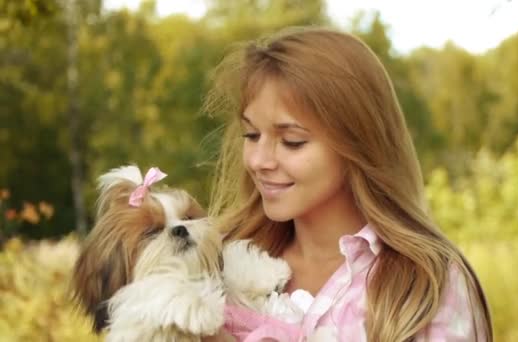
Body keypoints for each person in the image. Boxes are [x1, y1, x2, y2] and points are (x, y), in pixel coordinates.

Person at [205, 26, 493, 341]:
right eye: (252, 135)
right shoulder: (215, 260)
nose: (259, 160)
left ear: (357, 142)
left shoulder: (425, 285)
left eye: (292, 141)